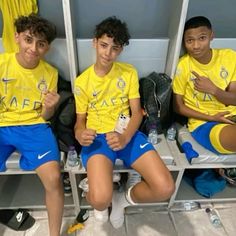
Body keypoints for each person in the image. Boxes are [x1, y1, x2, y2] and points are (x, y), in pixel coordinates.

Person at [74, 16, 175, 228]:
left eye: (114, 48)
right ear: (95, 42)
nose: (107, 53)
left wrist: (125, 136)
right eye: (103, 45)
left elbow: (137, 113)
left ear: (120, 50)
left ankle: (121, 200)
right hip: (98, 140)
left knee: (165, 188)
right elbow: (79, 122)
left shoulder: (128, 73)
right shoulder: (82, 82)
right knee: (100, 199)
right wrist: (80, 134)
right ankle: (95, 193)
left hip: (126, 133)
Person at [0, 14, 63, 236]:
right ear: (17, 37)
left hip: (33, 126)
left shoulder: (50, 73)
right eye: (28, 40)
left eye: (41, 44)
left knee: (54, 178)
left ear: (47, 47)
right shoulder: (2, 63)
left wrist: (51, 106)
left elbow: (45, 116)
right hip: (1, 124)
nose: (33, 48)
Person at [173, 16, 236, 155]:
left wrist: (214, 90)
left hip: (232, 116)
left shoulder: (229, 56)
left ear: (211, 36)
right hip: (205, 123)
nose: (196, 46)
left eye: (202, 38)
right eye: (190, 40)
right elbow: (178, 107)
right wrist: (213, 118)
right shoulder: (183, 65)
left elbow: (234, 99)